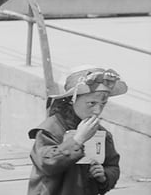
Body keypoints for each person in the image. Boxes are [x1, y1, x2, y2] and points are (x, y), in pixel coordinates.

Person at [28, 67, 126, 195]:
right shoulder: (51, 129)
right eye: (91, 103)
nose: (97, 110)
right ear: (72, 100)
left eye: (103, 104)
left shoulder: (101, 134)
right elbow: (46, 164)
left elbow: (112, 166)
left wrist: (104, 176)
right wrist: (77, 140)